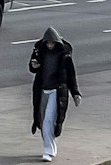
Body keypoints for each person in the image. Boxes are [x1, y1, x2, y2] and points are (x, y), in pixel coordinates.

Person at [28, 26, 82, 160]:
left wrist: (75, 92)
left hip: (56, 91)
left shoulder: (64, 55)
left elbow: (71, 75)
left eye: (52, 43)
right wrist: (34, 66)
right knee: (41, 119)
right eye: (48, 43)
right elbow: (32, 67)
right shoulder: (39, 51)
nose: (50, 45)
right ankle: (50, 146)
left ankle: (48, 151)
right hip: (42, 90)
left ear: (57, 43)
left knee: (49, 120)